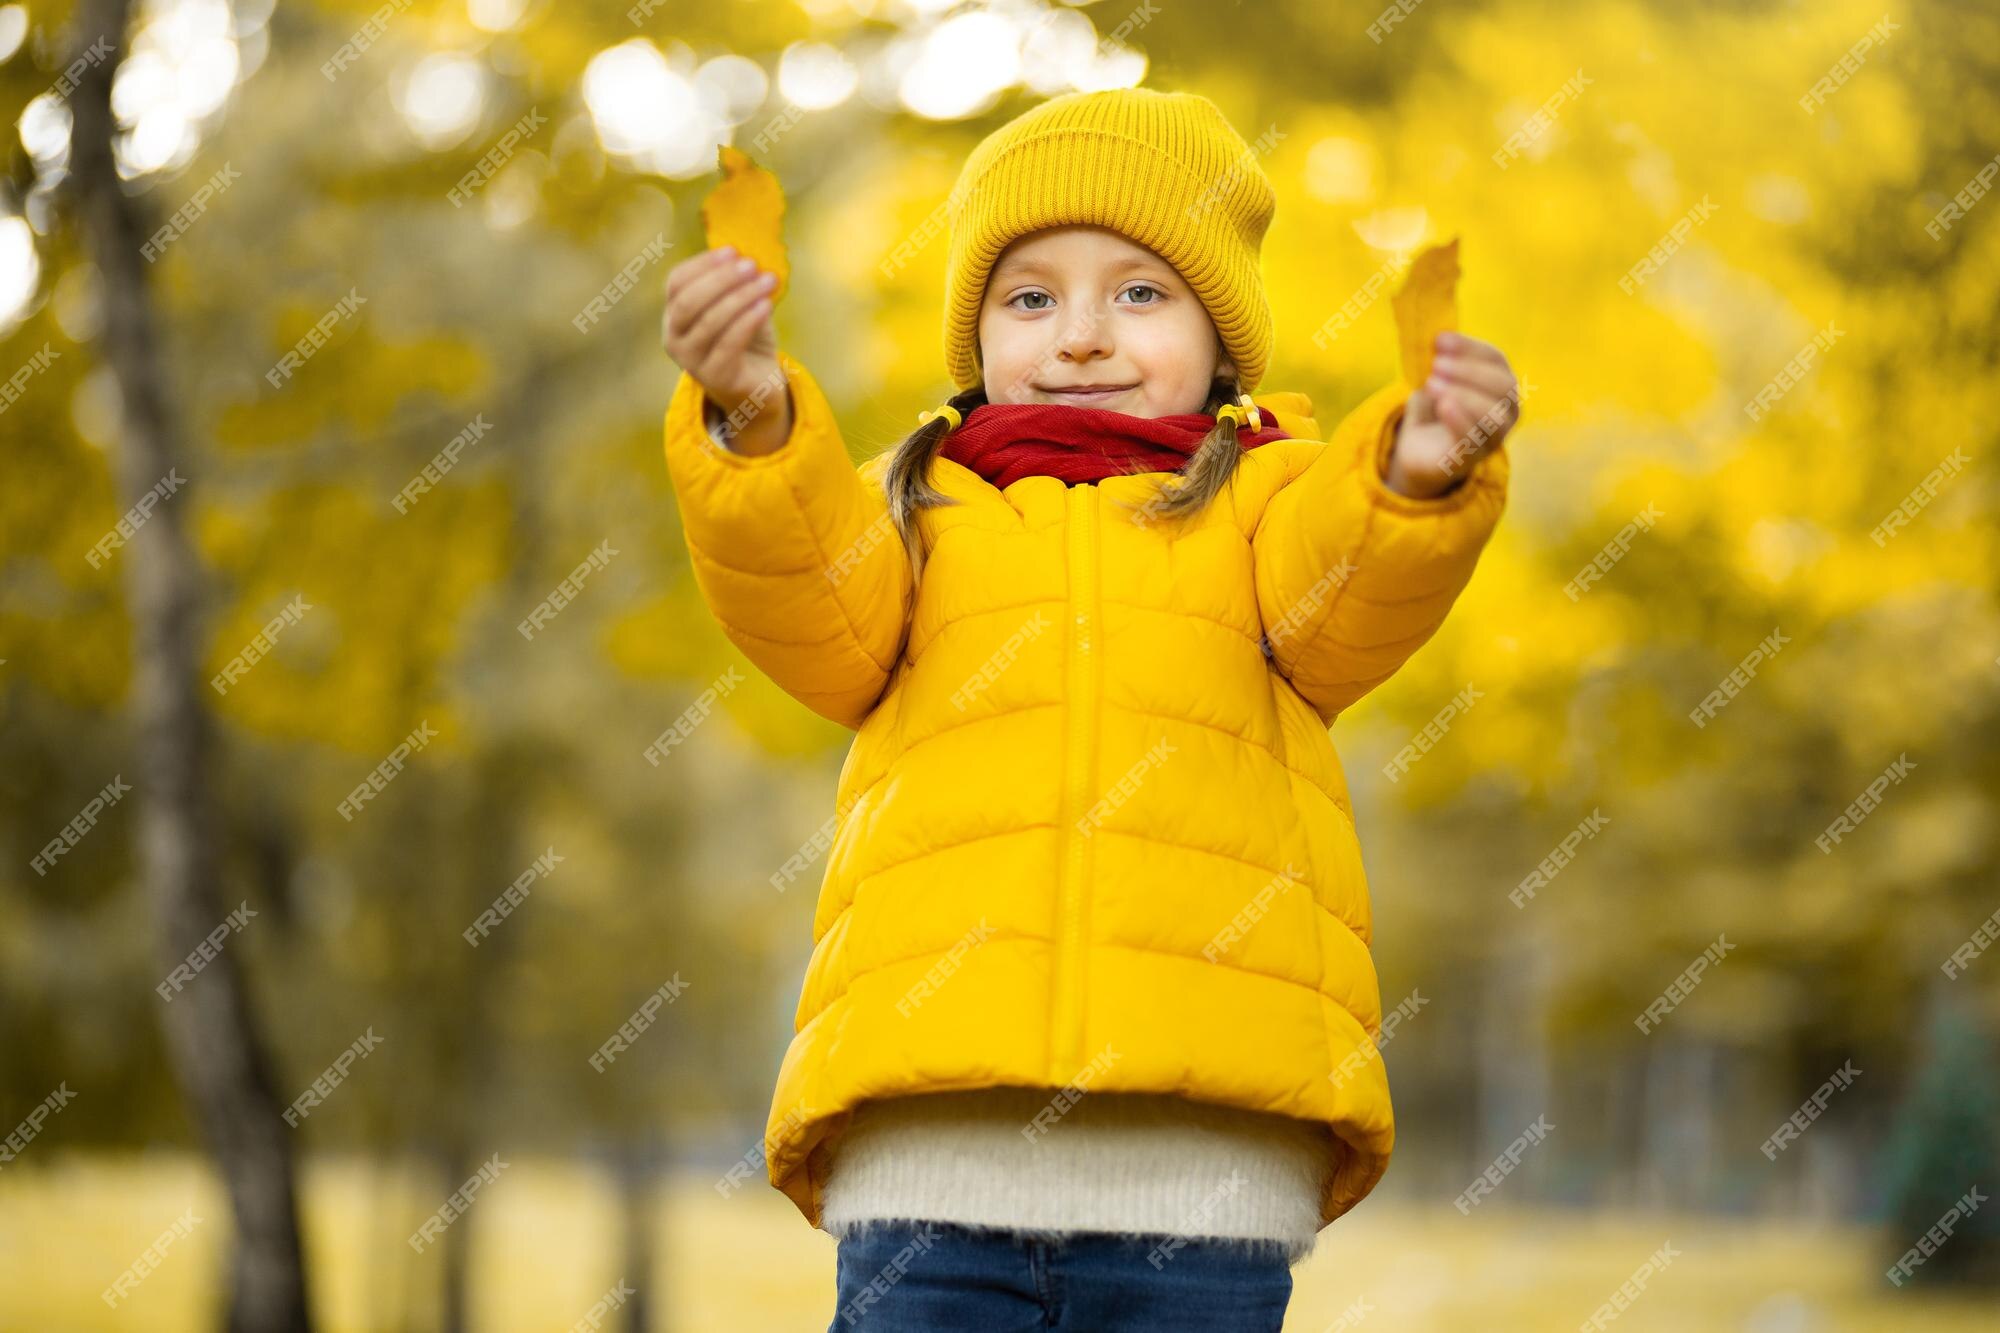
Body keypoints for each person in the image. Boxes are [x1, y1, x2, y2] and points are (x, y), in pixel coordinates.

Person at [659, 86, 1519, 1332]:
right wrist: (752, 412)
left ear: (1222, 337)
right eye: (1029, 296)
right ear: (978, 336)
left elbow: (1348, 591)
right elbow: (811, 606)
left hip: (1203, 1188)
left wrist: (1410, 472)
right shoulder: (917, 510)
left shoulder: (1268, 508)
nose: (1078, 336)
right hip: (930, 1162)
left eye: (1137, 292)